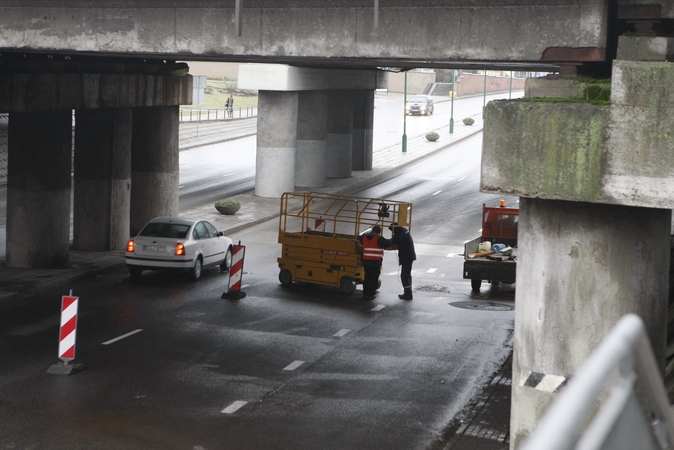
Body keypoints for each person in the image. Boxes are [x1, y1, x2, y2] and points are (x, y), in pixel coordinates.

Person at [359, 225, 391, 300]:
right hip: (375, 262)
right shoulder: (379, 238)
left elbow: (361, 240)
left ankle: (365, 294)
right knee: (373, 279)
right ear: (379, 231)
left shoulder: (364, 237)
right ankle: (370, 294)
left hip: (366, 261)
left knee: (367, 278)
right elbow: (388, 244)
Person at [389, 222, 416, 300]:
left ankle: (408, 294)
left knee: (404, 275)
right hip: (408, 255)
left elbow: (398, 240)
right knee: (407, 274)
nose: (392, 232)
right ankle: (408, 292)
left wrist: (393, 239)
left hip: (406, 256)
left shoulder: (401, 232)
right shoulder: (403, 231)